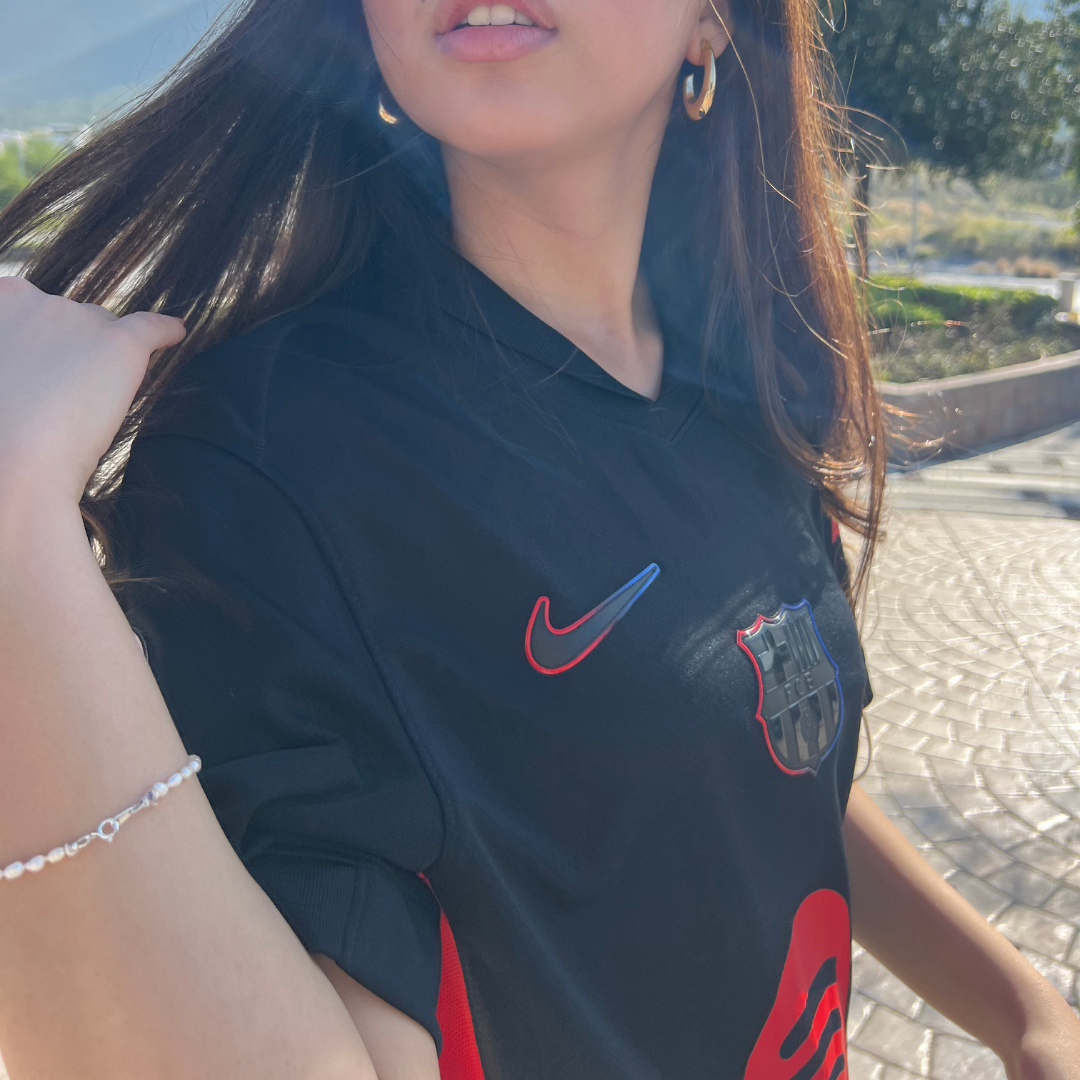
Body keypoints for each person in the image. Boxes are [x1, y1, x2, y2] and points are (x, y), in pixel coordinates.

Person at [0, 0, 1078, 1076]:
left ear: (712, 25)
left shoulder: (743, 379)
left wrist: (1027, 1011)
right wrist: (19, 539)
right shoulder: (273, 451)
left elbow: (755, 759)